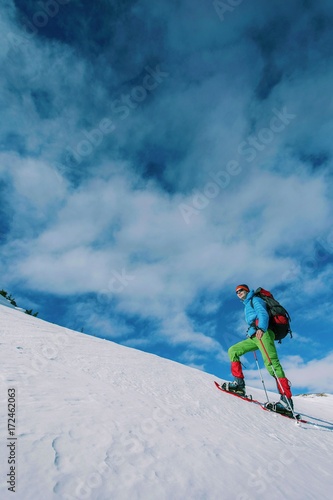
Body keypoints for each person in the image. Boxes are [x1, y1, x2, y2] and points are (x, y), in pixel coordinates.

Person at [222, 284, 293, 413]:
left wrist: (261, 328)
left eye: (241, 290)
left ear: (247, 290)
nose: (238, 293)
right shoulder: (247, 303)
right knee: (233, 350)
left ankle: (287, 401)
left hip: (264, 334)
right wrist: (252, 331)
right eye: (236, 292)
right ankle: (239, 385)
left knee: (272, 364)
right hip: (255, 336)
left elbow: (263, 314)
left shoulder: (255, 299)